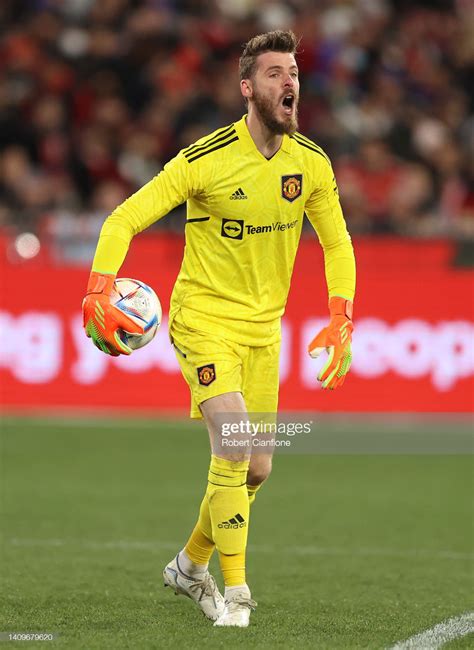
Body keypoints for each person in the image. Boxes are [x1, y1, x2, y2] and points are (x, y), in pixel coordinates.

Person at [82, 30, 356, 628]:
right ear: (247, 89)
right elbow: (123, 218)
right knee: (232, 445)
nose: (291, 83)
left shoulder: (310, 164)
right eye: (276, 74)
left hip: (264, 334)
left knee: (258, 468)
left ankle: (190, 564)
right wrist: (100, 286)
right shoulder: (204, 160)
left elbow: (336, 241)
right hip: (202, 319)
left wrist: (341, 315)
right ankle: (235, 595)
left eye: (294, 74)